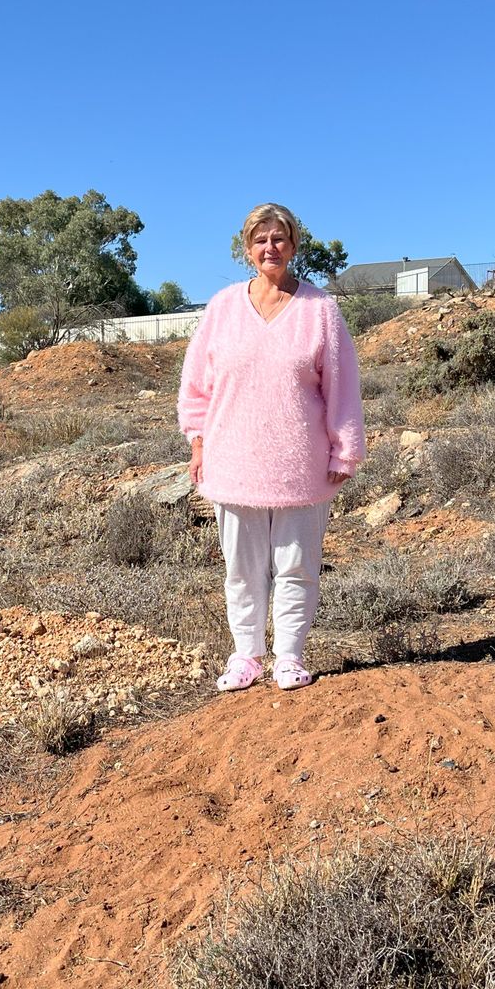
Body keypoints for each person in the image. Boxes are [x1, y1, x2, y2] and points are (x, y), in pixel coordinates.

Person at [177, 202, 366, 692]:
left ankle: (289, 657)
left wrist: (344, 450)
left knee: (296, 567)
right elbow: (197, 384)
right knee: (242, 569)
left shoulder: (320, 310)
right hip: (233, 460)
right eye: (261, 240)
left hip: (301, 465)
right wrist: (197, 441)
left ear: (294, 246)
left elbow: (342, 387)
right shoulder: (221, 308)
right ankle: (246, 656)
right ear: (247, 250)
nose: (270, 248)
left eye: (279, 238)